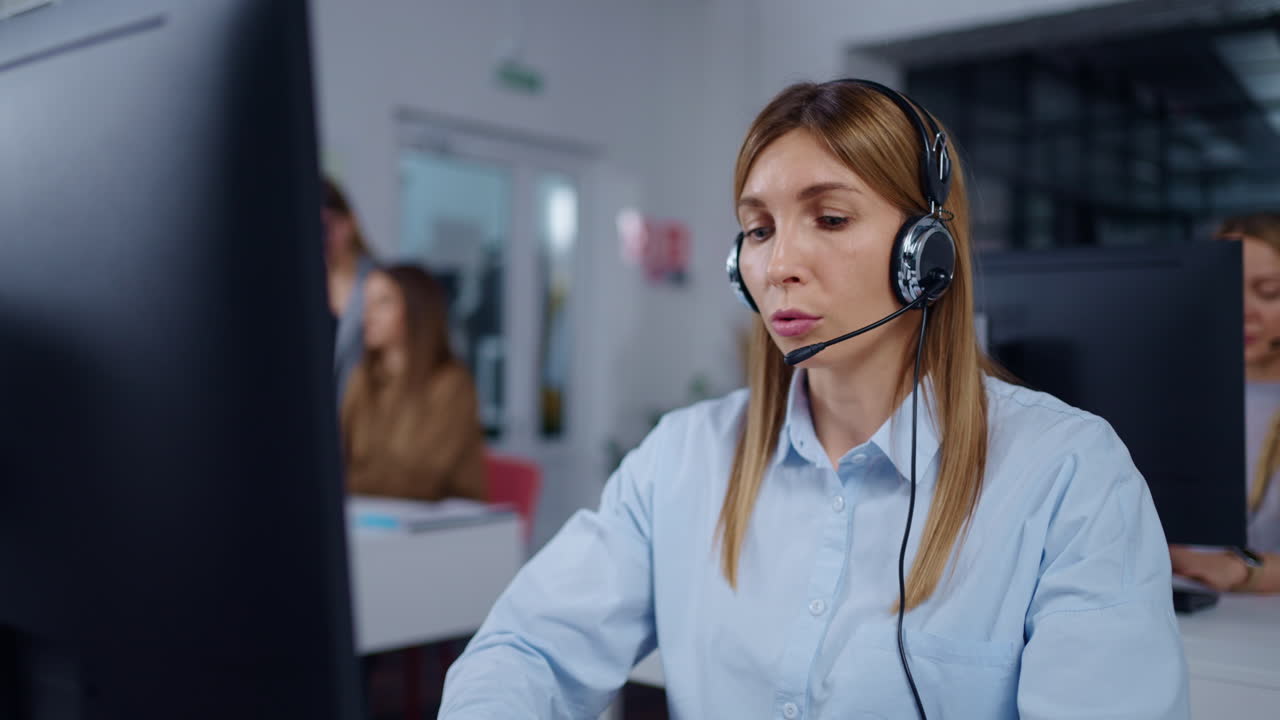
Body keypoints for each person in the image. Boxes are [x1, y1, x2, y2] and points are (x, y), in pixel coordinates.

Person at [439, 80, 1186, 719]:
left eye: (829, 219)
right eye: (758, 230)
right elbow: (524, 650)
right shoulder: (682, 459)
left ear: (927, 253)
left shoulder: (1067, 475)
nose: (779, 265)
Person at [1169, 212, 1280, 594]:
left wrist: (1242, 570)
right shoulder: (1177, 396)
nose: (1243, 309)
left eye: (1268, 292)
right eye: (1226, 287)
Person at [341, 265, 487, 502]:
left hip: (441, 525)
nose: (368, 314)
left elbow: (420, 480)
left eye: (383, 302)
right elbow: (338, 457)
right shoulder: (362, 378)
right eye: (366, 302)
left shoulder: (451, 385)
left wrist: (345, 486)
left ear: (415, 310)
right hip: (371, 515)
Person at [322, 176, 378, 404]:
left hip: (366, 418)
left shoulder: (380, 284)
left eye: (328, 226)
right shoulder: (308, 287)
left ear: (350, 223)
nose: (324, 238)